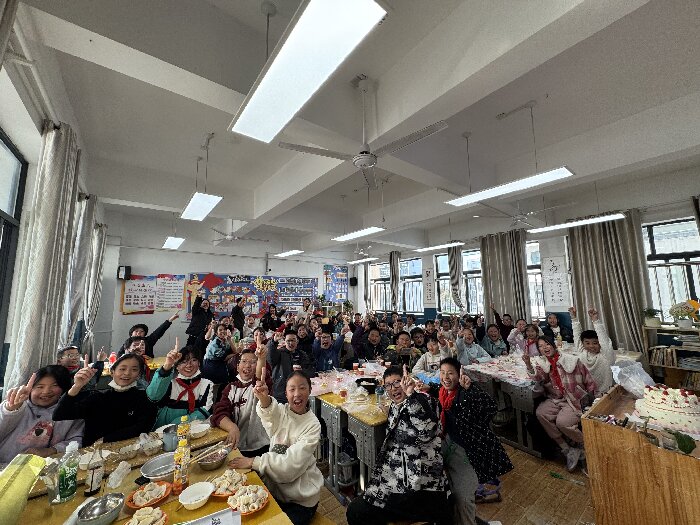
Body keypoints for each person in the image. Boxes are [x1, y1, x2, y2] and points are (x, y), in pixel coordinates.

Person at [346, 366, 449, 525]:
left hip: (423, 488)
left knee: (356, 512)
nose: (393, 388)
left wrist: (412, 394)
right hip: (402, 479)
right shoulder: (396, 406)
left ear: (407, 381)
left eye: (397, 382)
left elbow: (427, 431)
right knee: (363, 505)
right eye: (388, 385)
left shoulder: (424, 401)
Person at [420, 358, 513, 524]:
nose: (445, 377)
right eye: (442, 372)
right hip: (447, 441)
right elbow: (439, 388)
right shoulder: (443, 392)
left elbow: (491, 407)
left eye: (450, 373)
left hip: (468, 449)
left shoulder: (465, 394)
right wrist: (428, 387)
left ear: (459, 375)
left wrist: (471, 389)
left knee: (463, 497)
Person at [228, 371, 323, 525]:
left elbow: (289, 467)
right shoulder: (282, 412)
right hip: (276, 492)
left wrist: (253, 462)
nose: (297, 394)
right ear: (286, 393)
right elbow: (269, 413)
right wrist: (263, 397)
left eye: (302, 388)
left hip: (301, 500)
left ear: (310, 390)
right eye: (292, 389)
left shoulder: (312, 425)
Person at [523, 336, 596, 471]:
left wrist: (593, 400)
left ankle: (587, 445)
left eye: (547, 344)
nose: (545, 348)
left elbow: (589, 380)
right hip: (556, 398)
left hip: (574, 399)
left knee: (562, 422)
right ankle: (567, 449)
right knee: (541, 413)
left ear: (553, 345)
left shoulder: (570, 360)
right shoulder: (544, 364)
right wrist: (528, 364)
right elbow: (538, 378)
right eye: (540, 346)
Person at [53, 353, 157, 446]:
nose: (127, 373)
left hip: (129, 450)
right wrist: (77, 386)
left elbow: (143, 426)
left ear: (139, 375)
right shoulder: (98, 397)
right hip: (94, 453)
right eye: (122, 369)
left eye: (134, 369)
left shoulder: (143, 397)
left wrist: (106, 439)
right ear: (112, 372)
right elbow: (59, 414)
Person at [0, 366, 84, 465]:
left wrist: (51, 451)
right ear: (30, 389)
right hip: (5, 466)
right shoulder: (17, 406)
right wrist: (11, 409)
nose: (46, 391)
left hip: (45, 468)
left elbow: (77, 440)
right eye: (40, 387)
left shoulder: (70, 412)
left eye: (54, 385)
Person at [212, 347, 271, 457]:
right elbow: (219, 413)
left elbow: (260, 377)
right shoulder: (230, 388)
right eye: (244, 361)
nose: (248, 365)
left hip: (261, 447)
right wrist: (232, 427)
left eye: (253, 362)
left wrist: (261, 358)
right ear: (237, 366)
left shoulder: (259, 386)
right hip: (235, 445)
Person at [146, 340, 214, 429]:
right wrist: (167, 365)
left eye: (194, 360)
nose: (189, 365)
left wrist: (179, 423)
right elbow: (153, 396)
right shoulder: (169, 382)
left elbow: (206, 409)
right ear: (177, 366)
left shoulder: (207, 384)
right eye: (184, 361)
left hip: (195, 428)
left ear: (199, 363)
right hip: (165, 429)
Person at [569, 306, 615, 396]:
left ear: (600, 343)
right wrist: (574, 318)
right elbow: (577, 336)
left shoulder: (606, 356)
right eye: (587, 343)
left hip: (605, 394)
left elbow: (603, 339)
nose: (591, 346)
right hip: (587, 394)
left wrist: (595, 320)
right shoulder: (582, 352)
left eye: (595, 343)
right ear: (583, 344)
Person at [268, 329, 314, 403]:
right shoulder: (279, 353)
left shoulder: (302, 354)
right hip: (281, 392)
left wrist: (302, 371)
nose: (291, 343)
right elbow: (270, 357)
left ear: (297, 341)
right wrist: (274, 341)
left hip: (298, 391)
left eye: (293, 340)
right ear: (284, 342)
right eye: (288, 341)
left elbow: (310, 370)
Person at [202, 323, 234, 387]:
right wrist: (235, 354)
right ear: (216, 333)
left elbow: (232, 350)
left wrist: (230, 340)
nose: (223, 331)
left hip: (218, 362)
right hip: (211, 364)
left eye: (224, 329)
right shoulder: (215, 343)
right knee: (226, 378)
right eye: (220, 330)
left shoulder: (224, 340)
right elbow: (224, 358)